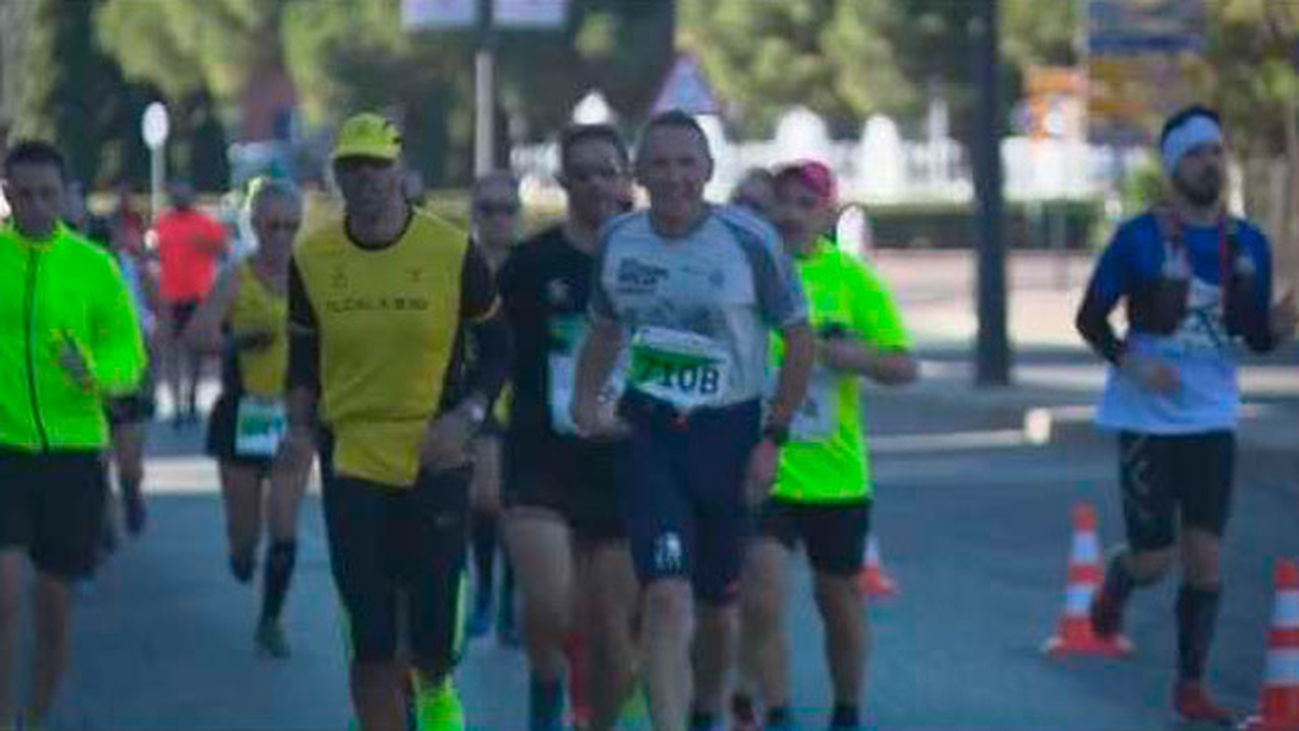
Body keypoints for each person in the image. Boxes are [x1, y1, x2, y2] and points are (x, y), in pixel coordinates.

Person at [571, 110, 814, 731]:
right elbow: (604, 328)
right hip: (650, 433)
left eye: (687, 163)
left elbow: (798, 339)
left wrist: (773, 437)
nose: (674, 177)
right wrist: (585, 400)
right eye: (660, 163)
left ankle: (707, 710)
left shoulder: (750, 241)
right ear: (638, 172)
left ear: (708, 170)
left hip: (729, 434)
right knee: (666, 595)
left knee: (717, 609)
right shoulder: (619, 240)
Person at [284, 113, 510, 731]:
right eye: (352, 167)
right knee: (373, 636)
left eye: (377, 165)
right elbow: (303, 355)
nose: (366, 179)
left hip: (434, 448)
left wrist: (466, 417)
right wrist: (297, 428)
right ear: (337, 177)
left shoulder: (450, 250)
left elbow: (499, 346)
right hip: (352, 451)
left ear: (401, 172)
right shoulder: (313, 256)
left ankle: (435, 691)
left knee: (434, 636)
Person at [1076, 105, 1297, 723]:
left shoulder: (1248, 244)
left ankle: (1190, 686)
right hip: (1146, 418)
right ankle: (1120, 579)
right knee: (1155, 560)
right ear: (1174, 167)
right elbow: (1090, 320)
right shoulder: (1139, 239)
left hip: (1212, 418)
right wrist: (1132, 363)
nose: (1210, 163)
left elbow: (1254, 336)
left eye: (1217, 152)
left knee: (1205, 558)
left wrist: (1283, 320)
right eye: (1197, 153)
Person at [733, 161, 918, 731]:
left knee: (839, 602)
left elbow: (904, 366)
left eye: (805, 203)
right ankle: (778, 710)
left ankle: (846, 711)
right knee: (761, 595)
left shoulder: (850, 280)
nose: (790, 214)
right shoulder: (745, 273)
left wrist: (848, 355)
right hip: (763, 468)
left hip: (836, 476)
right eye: (782, 202)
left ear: (827, 213)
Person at [499, 124, 642, 731]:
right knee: (554, 606)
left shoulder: (651, 261)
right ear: (562, 182)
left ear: (625, 176)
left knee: (612, 633)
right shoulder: (532, 264)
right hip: (542, 458)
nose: (595, 184)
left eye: (606, 171)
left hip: (623, 463)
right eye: (581, 174)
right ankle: (545, 692)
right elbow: (487, 347)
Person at [0, 140, 146, 730]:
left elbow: (128, 352)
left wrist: (96, 372)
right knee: (5, 595)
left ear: (65, 196)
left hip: (73, 455)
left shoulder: (93, 266)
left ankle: (33, 721)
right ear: (6, 195)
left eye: (48, 194)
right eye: (24, 194)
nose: (37, 206)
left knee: (54, 613)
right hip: (5, 450)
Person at [183, 179, 308, 658]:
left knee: (285, 525)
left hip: (292, 414)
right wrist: (238, 341)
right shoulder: (237, 277)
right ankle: (241, 552)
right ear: (254, 225)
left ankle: (271, 621)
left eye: (291, 226)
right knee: (245, 536)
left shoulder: (312, 280)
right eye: (272, 226)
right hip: (245, 411)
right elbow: (195, 335)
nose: (282, 236)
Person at [63, 181, 157, 549]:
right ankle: (102, 523)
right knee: (95, 460)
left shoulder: (123, 266)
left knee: (129, 460)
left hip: (123, 373)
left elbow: (147, 315)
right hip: (83, 377)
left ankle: (131, 491)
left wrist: (150, 356)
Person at [464, 171, 521, 646]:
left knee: (518, 507)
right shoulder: (459, 265)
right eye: (488, 209)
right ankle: (485, 590)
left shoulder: (530, 265)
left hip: (529, 402)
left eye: (508, 209)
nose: (499, 219)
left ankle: (509, 600)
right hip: (479, 397)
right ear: (473, 214)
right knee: (487, 499)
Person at [155, 180, 228, 427]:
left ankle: (192, 400)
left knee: (195, 351)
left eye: (184, 193)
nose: (179, 197)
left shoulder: (205, 223)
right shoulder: (162, 223)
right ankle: (176, 405)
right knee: (172, 351)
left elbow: (223, 249)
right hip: (170, 296)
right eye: (175, 193)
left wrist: (205, 245)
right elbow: (153, 254)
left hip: (198, 295)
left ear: (191, 195)